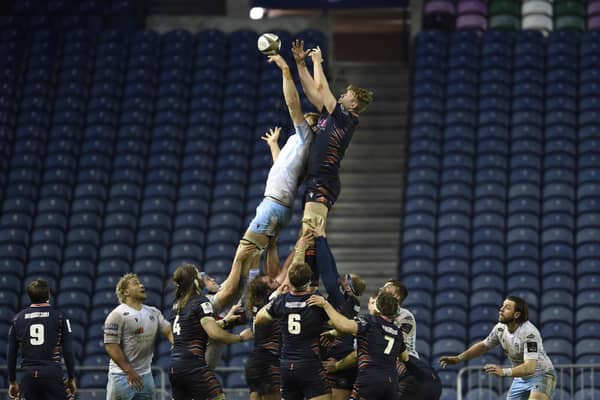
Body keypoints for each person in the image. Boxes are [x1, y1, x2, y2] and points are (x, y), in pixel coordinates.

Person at [290, 40, 373, 284]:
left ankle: (305, 282)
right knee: (310, 235)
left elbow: (323, 89)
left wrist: (317, 62)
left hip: (324, 182)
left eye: (346, 94)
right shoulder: (333, 115)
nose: (341, 95)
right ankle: (311, 281)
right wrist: (300, 64)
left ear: (354, 104)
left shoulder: (346, 118)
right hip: (318, 180)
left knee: (310, 234)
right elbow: (313, 92)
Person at [235, 52, 320, 266]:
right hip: (279, 203)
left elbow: (293, 105)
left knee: (243, 254)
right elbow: (283, 166)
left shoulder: (306, 137)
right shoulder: (299, 143)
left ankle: (238, 298)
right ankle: (252, 294)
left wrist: (285, 71)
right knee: (254, 256)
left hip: (274, 203)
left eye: (307, 120)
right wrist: (274, 145)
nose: (302, 121)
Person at [440, 296, 557, 400]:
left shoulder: (529, 333)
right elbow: (483, 346)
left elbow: (530, 367)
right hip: (521, 378)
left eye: (507, 307)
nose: (501, 309)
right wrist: (458, 358)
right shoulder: (500, 328)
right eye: (502, 306)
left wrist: (503, 372)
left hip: (542, 375)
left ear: (516, 314)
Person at [169, 263, 253, 400]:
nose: (202, 277)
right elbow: (214, 334)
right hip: (193, 366)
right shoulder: (201, 302)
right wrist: (241, 338)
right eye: (198, 275)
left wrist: (225, 321)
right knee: (218, 397)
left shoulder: (177, 305)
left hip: (175, 368)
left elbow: (194, 329)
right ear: (195, 281)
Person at [308, 290, 409, 400]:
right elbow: (405, 357)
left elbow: (344, 325)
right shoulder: (397, 332)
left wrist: (325, 305)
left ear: (377, 307)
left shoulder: (369, 321)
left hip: (370, 379)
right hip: (391, 384)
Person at [255, 262, 332, 400]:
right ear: (309, 281)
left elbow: (259, 319)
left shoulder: (280, 301)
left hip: (286, 364)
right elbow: (338, 324)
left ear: (289, 280)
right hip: (309, 362)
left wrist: (275, 297)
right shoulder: (316, 302)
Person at [310, 219, 365, 400]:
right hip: (336, 356)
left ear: (349, 287)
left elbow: (328, 273)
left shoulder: (343, 300)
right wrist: (323, 239)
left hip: (337, 360)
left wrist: (320, 240)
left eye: (347, 278)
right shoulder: (346, 301)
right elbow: (332, 270)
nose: (342, 277)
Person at [103, 273, 173, 400]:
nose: (142, 285)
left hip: (146, 376)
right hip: (121, 376)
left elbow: (168, 331)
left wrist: (176, 345)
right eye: (136, 283)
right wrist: (129, 371)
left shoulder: (153, 312)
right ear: (126, 292)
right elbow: (111, 346)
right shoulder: (117, 315)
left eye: (141, 283)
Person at [7, 279, 77, 400]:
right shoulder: (60, 317)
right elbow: (68, 350)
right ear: (48, 294)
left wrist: (12, 381)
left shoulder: (17, 319)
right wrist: (71, 377)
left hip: (28, 375)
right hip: (52, 374)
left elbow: (11, 353)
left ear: (30, 296)